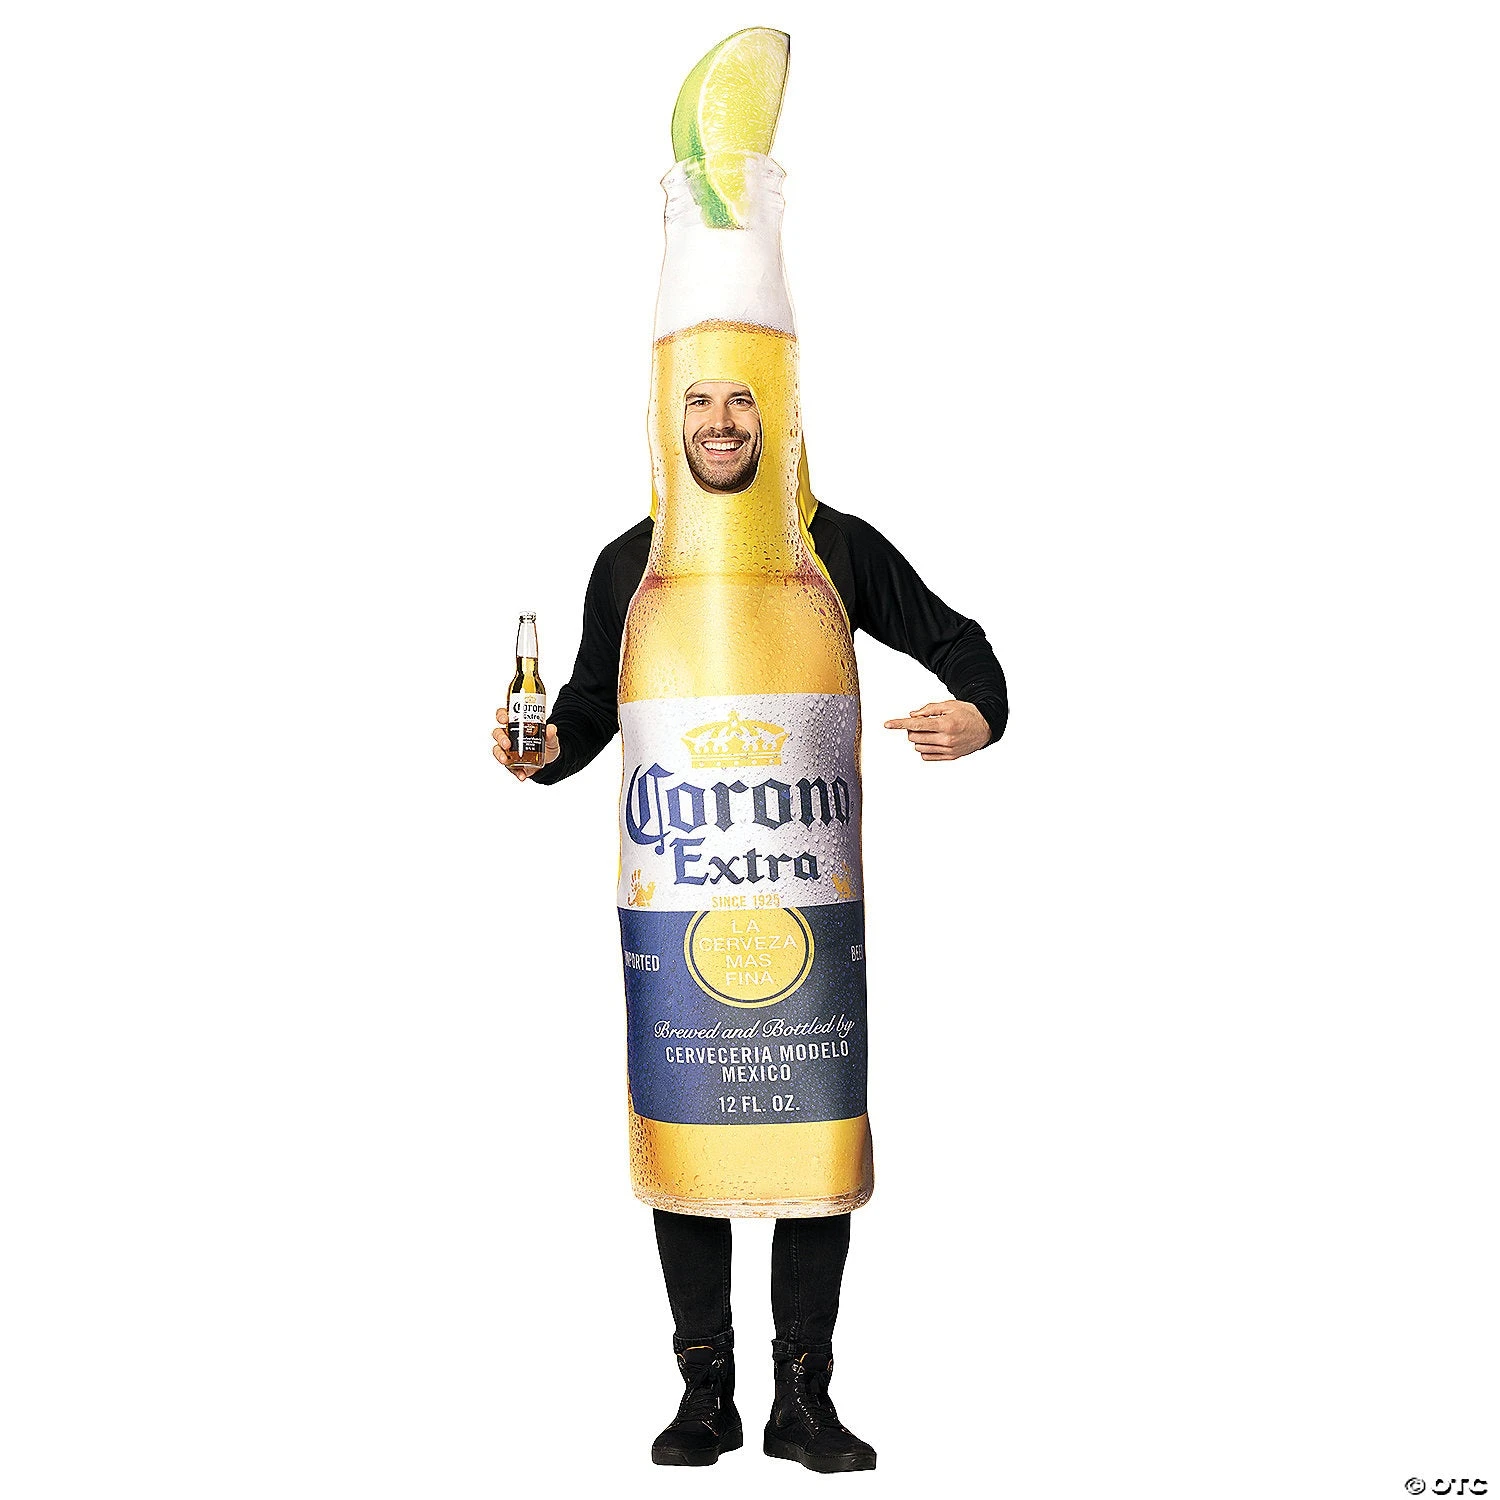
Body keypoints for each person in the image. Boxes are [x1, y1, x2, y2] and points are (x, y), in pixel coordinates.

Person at [491, 385, 1008, 1473]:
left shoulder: (835, 548)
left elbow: (958, 641)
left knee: (813, 1135)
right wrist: (543, 750)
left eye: (741, 399)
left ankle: (803, 1402)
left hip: (805, 912)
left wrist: (981, 713)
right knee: (688, 1129)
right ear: (667, 418)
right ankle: (706, 1397)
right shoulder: (630, 564)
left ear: (777, 411)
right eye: (699, 401)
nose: (720, 422)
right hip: (680, 909)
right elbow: (589, 707)